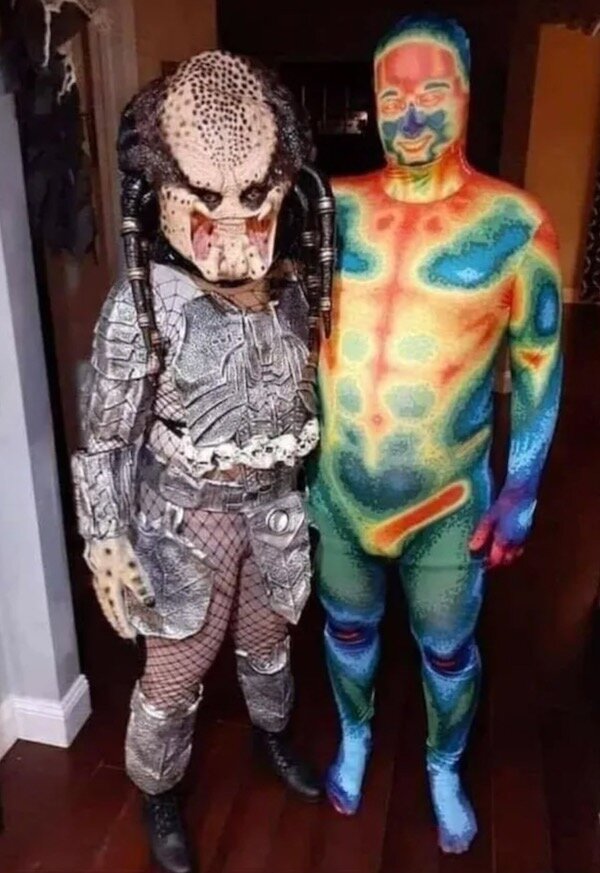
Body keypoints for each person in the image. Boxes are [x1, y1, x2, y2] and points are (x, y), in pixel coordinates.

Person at [71, 49, 335, 873]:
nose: (231, 230)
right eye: (205, 199)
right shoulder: (144, 303)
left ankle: (271, 733)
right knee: (176, 669)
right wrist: (105, 538)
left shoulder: (297, 286)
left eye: (254, 198)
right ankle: (157, 789)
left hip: (276, 508)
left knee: (270, 638)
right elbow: (107, 435)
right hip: (186, 522)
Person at [308, 13, 563, 854]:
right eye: (392, 98)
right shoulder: (330, 208)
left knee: (448, 650)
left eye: (432, 93)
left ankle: (444, 765)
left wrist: (523, 487)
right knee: (347, 630)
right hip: (340, 488)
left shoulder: (515, 226)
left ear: (466, 94)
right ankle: (354, 735)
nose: (410, 117)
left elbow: (538, 364)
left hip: (447, 500)